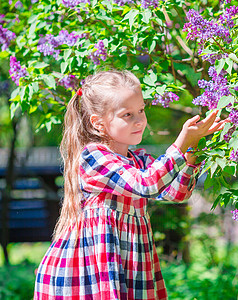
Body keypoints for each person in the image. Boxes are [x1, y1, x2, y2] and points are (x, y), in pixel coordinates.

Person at [34, 70, 227, 299]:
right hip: (88, 272)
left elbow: (175, 194)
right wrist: (181, 143)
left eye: (141, 110)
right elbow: (147, 185)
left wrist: (192, 154)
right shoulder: (94, 157)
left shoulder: (137, 160)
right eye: (127, 114)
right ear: (98, 123)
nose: (140, 121)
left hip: (129, 262)